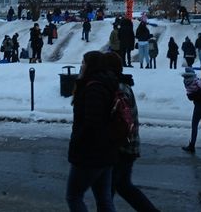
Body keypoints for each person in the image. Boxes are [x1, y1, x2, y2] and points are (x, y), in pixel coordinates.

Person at [103, 53, 159, 212]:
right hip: (129, 146)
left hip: (122, 148)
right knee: (123, 186)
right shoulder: (122, 86)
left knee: (109, 191)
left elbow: (118, 121)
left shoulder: (118, 89)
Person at [65, 50, 119, 212]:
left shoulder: (93, 88)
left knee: (73, 197)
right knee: (104, 199)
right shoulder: (107, 83)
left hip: (90, 154)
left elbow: (92, 123)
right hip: (106, 152)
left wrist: (79, 146)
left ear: (91, 66)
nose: (81, 65)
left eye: (83, 62)